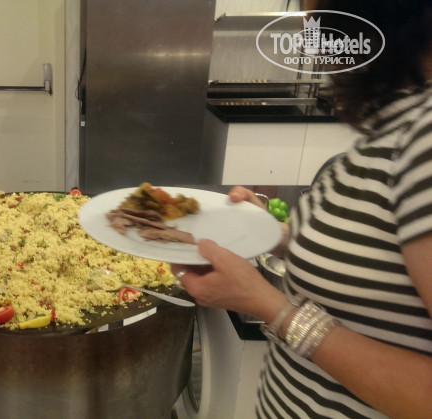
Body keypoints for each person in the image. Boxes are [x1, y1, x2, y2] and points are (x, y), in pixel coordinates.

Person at [172, 1, 432, 418]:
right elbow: (376, 259)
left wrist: (271, 307)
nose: (308, 18)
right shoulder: (394, 127)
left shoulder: (425, 138)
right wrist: (271, 233)